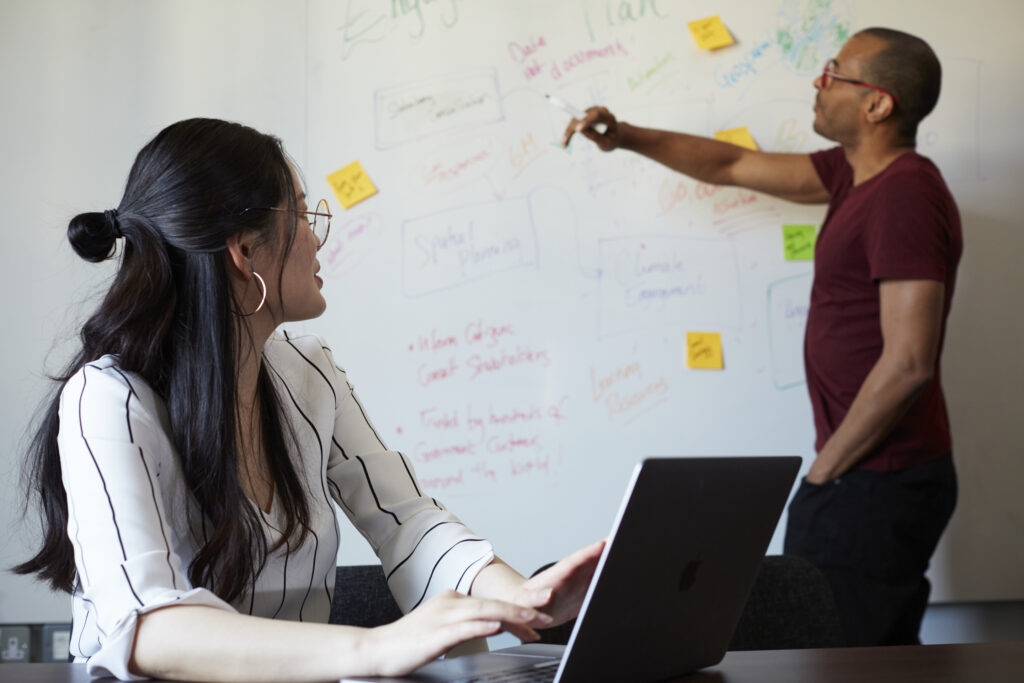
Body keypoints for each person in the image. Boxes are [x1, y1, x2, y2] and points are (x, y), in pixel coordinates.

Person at [14, 118, 603, 681]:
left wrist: (524, 597)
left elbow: (407, 523)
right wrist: (373, 647)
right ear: (245, 252)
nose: (318, 236)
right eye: (302, 213)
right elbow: (145, 626)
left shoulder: (308, 370)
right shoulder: (110, 399)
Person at [563, 27, 961, 646]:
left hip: (874, 478)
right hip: (865, 474)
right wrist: (627, 137)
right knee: (851, 651)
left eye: (834, 72)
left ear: (878, 104)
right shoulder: (854, 175)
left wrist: (824, 474)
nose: (818, 82)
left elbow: (909, 363)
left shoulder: (903, 194)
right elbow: (730, 164)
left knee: (856, 659)